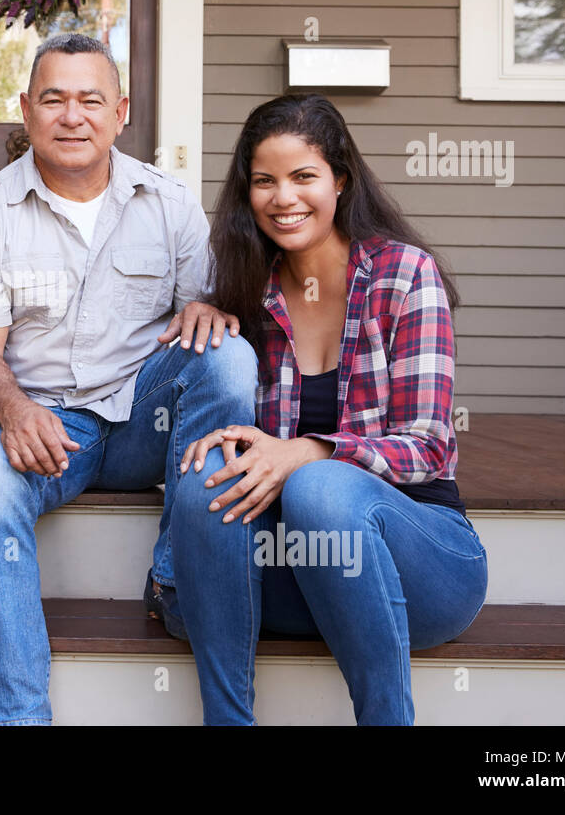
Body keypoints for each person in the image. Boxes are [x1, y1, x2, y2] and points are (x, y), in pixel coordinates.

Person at [0, 33, 257, 725]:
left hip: (147, 418)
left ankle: (175, 578)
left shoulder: (168, 203)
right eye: (53, 99)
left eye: (90, 100)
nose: (72, 116)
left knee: (231, 355)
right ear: (25, 111)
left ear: (120, 112)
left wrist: (208, 307)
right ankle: (20, 719)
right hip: (44, 426)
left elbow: (199, 312)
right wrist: (13, 409)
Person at [171, 93, 488, 725]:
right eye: (264, 181)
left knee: (318, 486)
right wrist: (203, 312)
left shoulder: (403, 276)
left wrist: (311, 449)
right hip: (299, 572)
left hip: (421, 565)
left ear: (339, 181)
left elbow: (426, 446)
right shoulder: (246, 290)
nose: (283, 197)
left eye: (303, 176)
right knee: (206, 478)